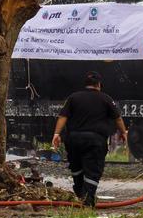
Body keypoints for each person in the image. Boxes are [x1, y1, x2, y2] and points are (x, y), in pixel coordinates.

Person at [52, 71, 128, 207]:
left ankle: (80, 192)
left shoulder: (73, 97)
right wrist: (123, 132)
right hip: (95, 140)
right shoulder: (106, 99)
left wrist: (56, 134)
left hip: (74, 139)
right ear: (99, 84)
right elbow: (118, 118)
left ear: (85, 84)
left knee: (76, 166)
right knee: (93, 169)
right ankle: (87, 199)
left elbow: (63, 116)